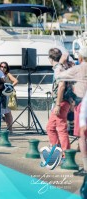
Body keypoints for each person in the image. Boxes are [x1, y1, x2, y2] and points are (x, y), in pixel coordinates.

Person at [56, 48, 87, 176]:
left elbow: (58, 76)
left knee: (82, 136)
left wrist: (60, 63)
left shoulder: (79, 68)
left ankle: (86, 168)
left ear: (80, 58)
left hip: (82, 103)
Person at [46, 48, 71, 156]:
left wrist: (57, 105)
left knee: (61, 128)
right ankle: (58, 150)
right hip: (63, 101)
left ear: (50, 59)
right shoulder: (63, 67)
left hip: (60, 102)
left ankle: (66, 154)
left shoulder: (58, 69)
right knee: (50, 127)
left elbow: (61, 86)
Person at [0, 62, 18, 134]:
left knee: (7, 113)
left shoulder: (8, 74)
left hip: (6, 95)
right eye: (1, 66)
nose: (3, 68)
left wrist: (10, 86)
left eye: (5, 67)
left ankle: (10, 130)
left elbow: (16, 81)